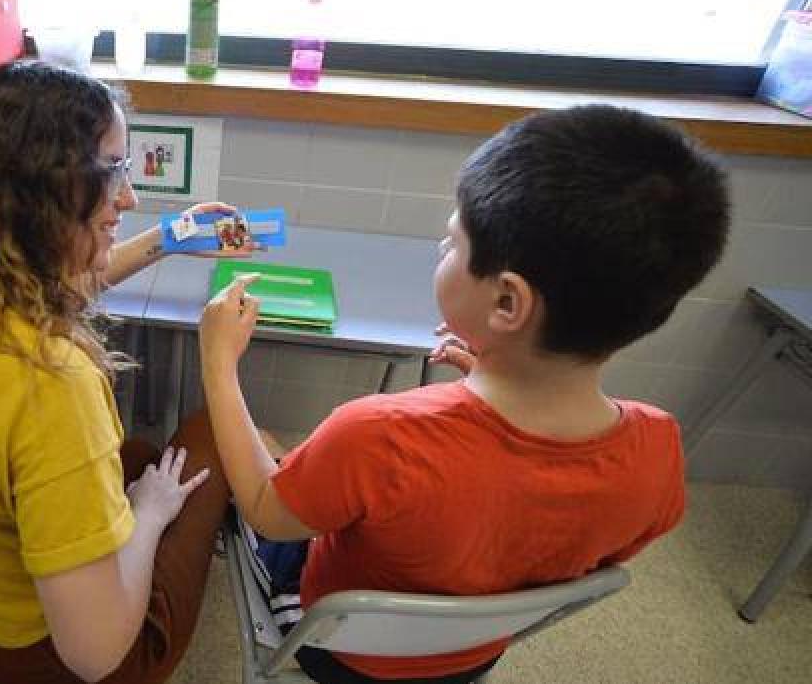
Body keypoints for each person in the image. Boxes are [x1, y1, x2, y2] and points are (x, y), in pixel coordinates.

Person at [199, 104, 731, 683]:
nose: (441, 249)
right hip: (472, 655)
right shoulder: (659, 451)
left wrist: (219, 361)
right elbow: (554, 529)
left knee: (254, 463)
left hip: (342, 650)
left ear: (508, 303)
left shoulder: (377, 434)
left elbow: (268, 514)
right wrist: (485, 380)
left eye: (454, 243)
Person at [0, 61, 246, 683]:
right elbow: (94, 656)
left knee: (149, 452)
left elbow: (59, 282)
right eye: (115, 171)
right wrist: (148, 515)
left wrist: (168, 238)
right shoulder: (52, 381)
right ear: (44, 191)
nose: (127, 197)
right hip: (46, 662)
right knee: (207, 446)